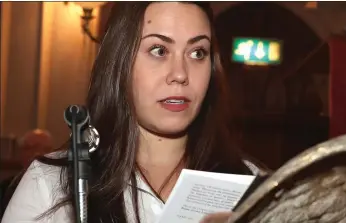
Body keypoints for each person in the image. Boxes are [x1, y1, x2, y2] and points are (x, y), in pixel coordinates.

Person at [1, 2, 265, 223]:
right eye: (159, 50)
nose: (181, 74)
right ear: (119, 62)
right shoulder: (51, 186)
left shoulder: (258, 188)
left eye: (197, 52)